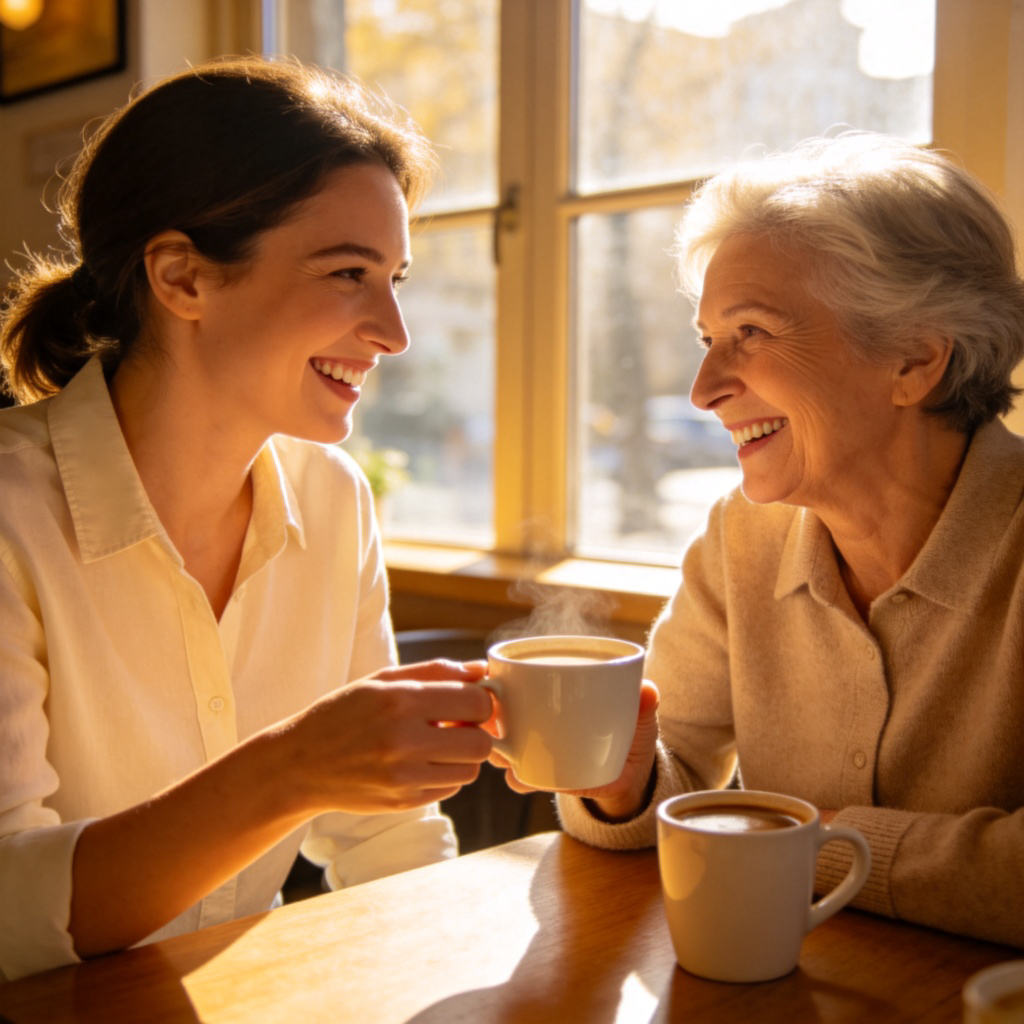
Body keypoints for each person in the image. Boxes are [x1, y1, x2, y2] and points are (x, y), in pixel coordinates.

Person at [0, 57, 496, 981]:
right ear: (182, 277)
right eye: (350, 272)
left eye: (395, 277)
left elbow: (383, 837)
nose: (393, 331)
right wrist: (291, 770)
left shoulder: (333, 498)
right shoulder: (10, 518)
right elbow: (6, 915)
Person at [505, 133, 1024, 949]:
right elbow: (674, 765)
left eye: (750, 332)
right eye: (706, 338)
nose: (705, 389)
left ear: (915, 361)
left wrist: (803, 843)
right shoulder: (742, 536)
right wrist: (625, 777)